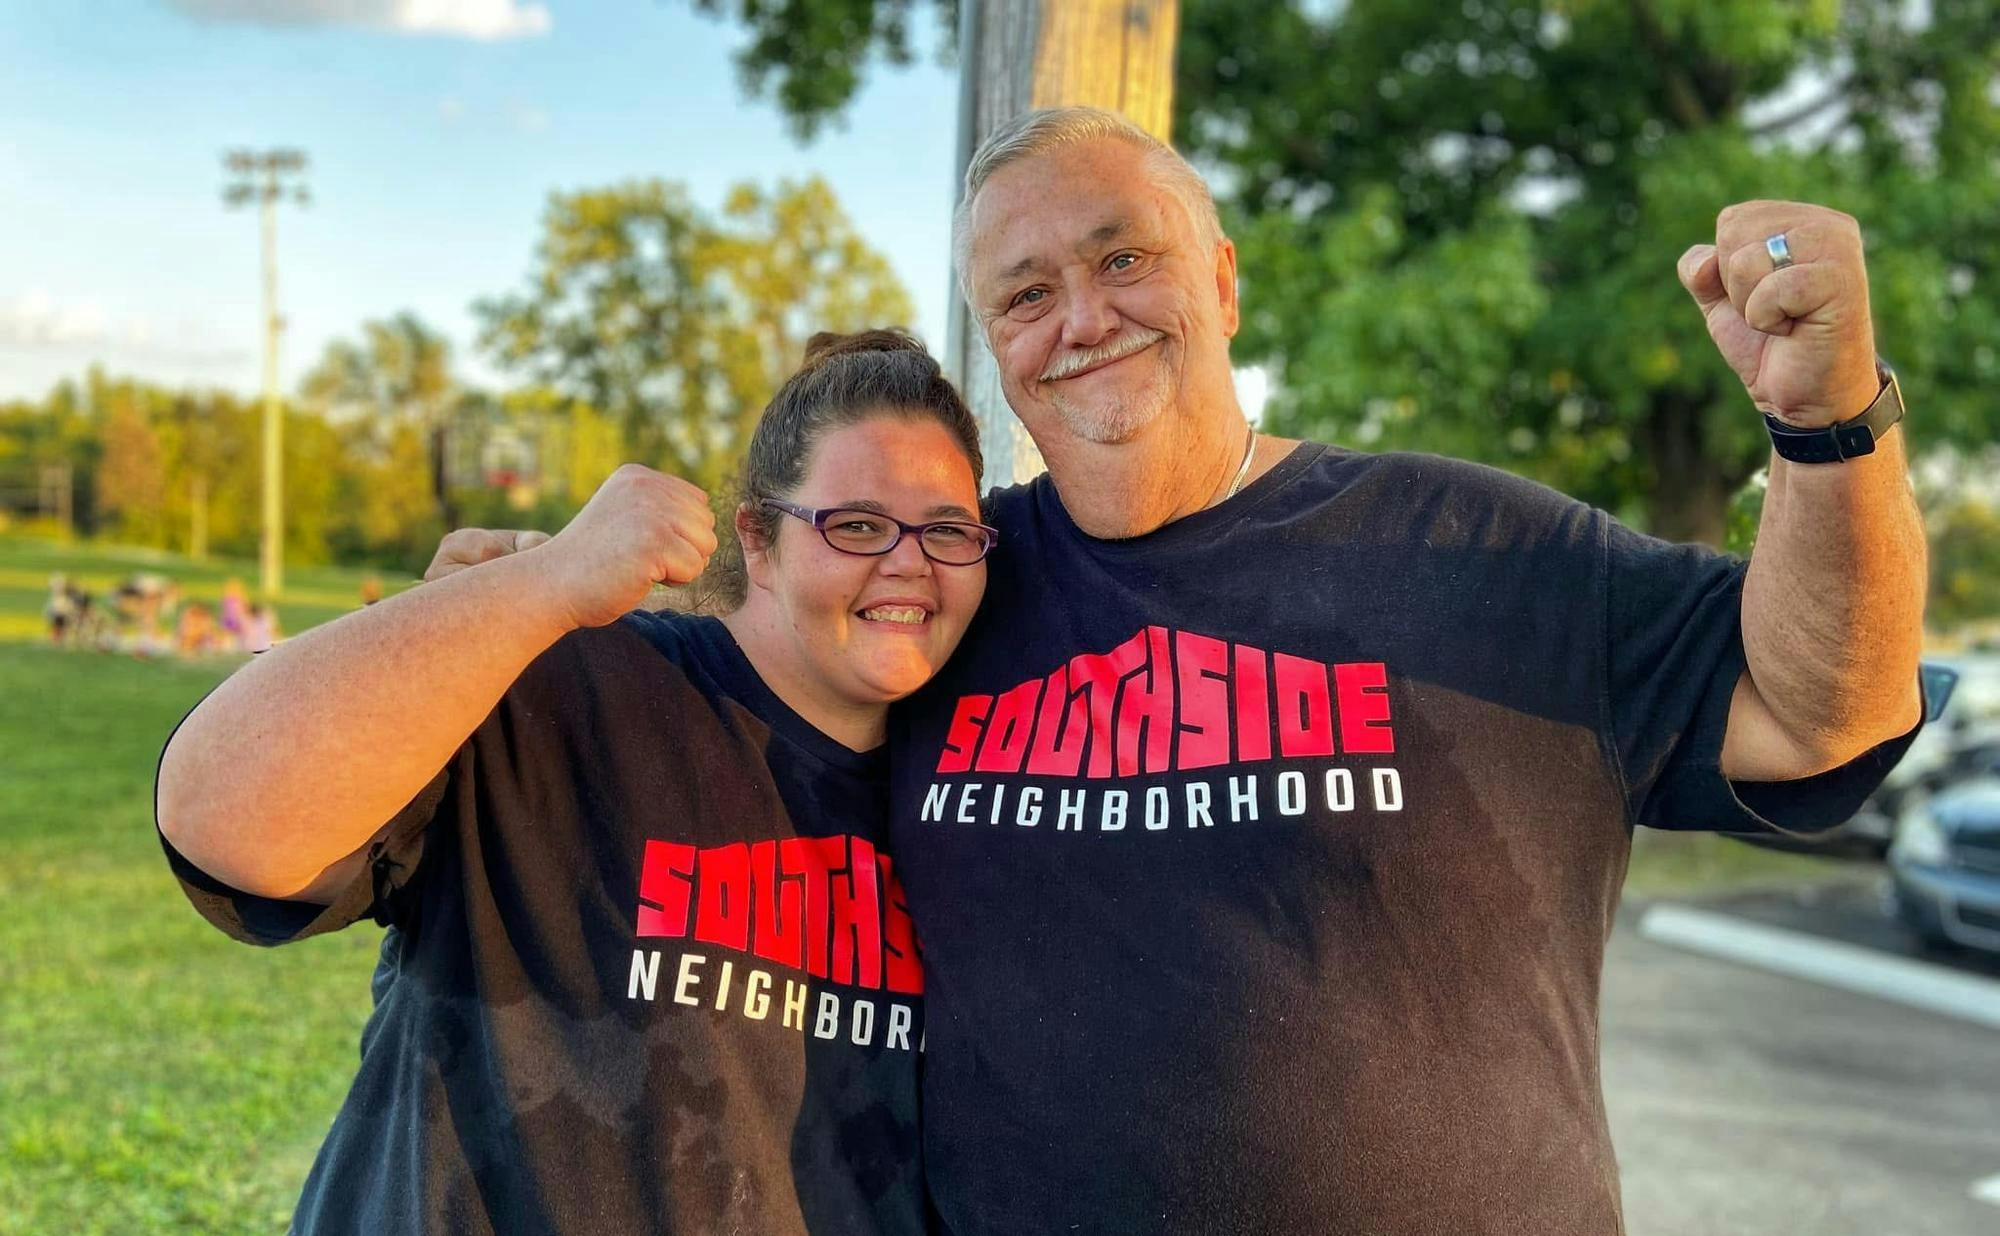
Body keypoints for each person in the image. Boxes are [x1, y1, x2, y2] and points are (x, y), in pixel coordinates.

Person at [431, 111, 1928, 1234]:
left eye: (1123, 257)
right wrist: (543, 603)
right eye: (1023, 296)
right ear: (994, 346)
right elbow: (774, 617)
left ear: (1220, 278)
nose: (1079, 319)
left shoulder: (1478, 548)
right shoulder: (948, 589)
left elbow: (1823, 709)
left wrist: (1831, 430)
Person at [154, 330, 993, 1235]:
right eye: (856, 524)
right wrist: (540, 586)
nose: (909, 561)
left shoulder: (974, 794)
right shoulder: (572, 681)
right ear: (757, 538)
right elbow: (222, 821)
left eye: (948, 530)